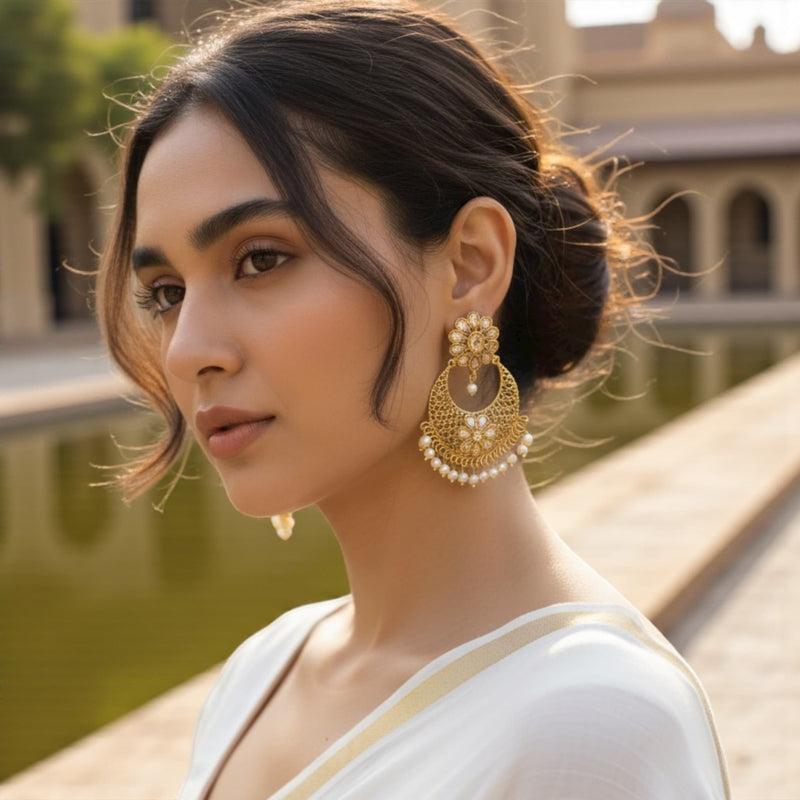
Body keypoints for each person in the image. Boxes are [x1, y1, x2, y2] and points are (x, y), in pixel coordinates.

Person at [97, 1, 730, 797]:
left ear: (470, 265)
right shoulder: (264, 670)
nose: (188, 349)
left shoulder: (587, 728)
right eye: (166, 292)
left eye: (260, 259)